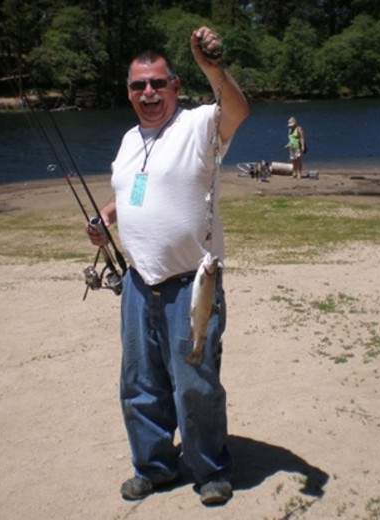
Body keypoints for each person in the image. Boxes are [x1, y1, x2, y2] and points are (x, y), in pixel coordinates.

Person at [86, 27, 249, 506]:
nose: (148, 93)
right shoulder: (130, 139)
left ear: (175, 85)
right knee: (140, 384)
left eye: (158, 83)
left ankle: (211, 470)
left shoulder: (198, 125)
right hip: (138, 283)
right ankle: (154, 466)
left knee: (196, 383)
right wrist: (104, 218)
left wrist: (212, 65)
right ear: (129, 91)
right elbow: (129, 189)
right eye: (139, 86)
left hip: (191, 285)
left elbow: (238, 110)